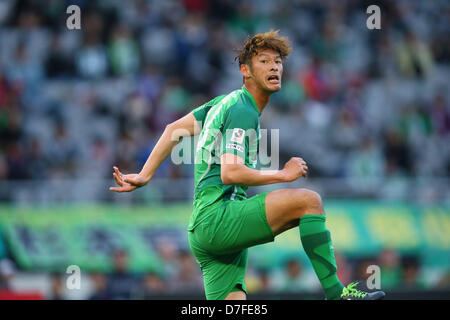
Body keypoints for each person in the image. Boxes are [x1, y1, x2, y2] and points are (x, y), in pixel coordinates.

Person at [110, 30, 385, 300]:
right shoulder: (243, 109)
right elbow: (230, 173)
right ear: (246, 70)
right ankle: (337, 295)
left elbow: (172, 129)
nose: (274, 66)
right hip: (219, 218)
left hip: (203, 230)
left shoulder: (223, 103)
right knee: (308, 201)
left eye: (278, 61)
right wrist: (282, 174)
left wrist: (146, 175)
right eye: (264, 61)